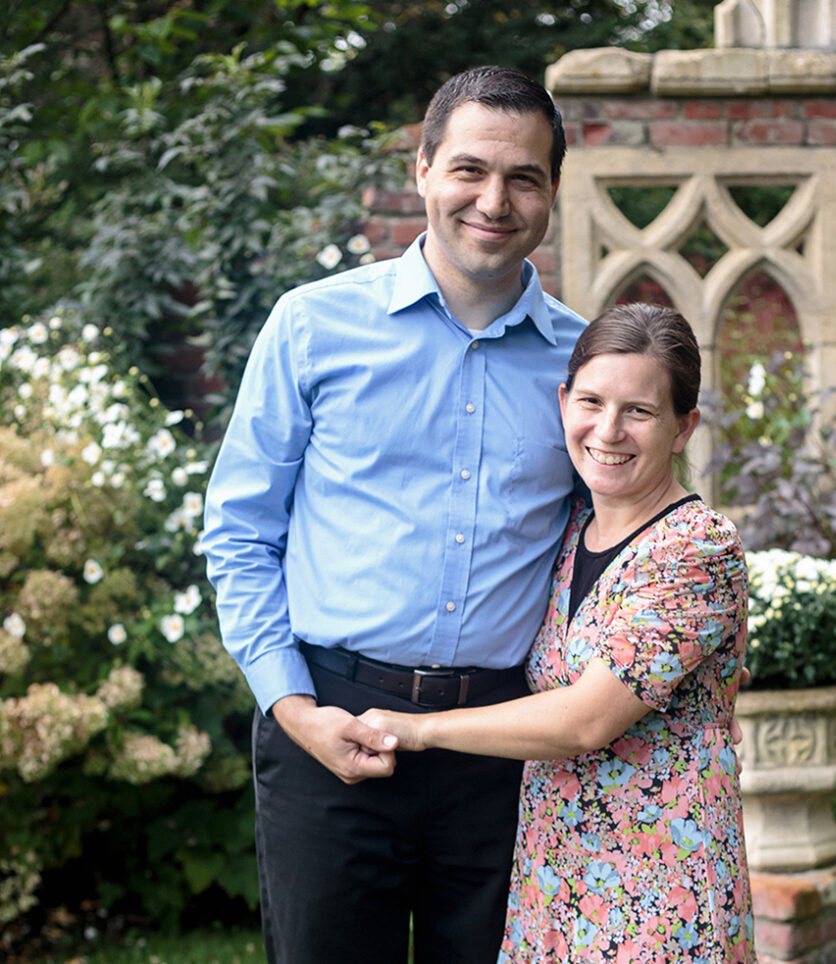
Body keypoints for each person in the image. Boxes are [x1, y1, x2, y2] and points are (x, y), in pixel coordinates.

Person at [201, 65, 587, 964]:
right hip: (329, 726)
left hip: (504, 752)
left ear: (553, 191)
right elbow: (240, 533)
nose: (494, 199)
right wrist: (292, 707)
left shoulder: (582, 366)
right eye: (469, 170)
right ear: (421, 170)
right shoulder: (311, 326)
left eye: (524, 177)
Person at [361, 303, 755, 963]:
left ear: (684, 428)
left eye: (640, 411)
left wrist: (417, 726)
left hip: (659, 885)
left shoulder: (695, 545)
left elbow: (582, 722)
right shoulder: (572, 528)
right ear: (564, 400)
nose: (608, 430)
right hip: (557, 875)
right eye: (592, 401)